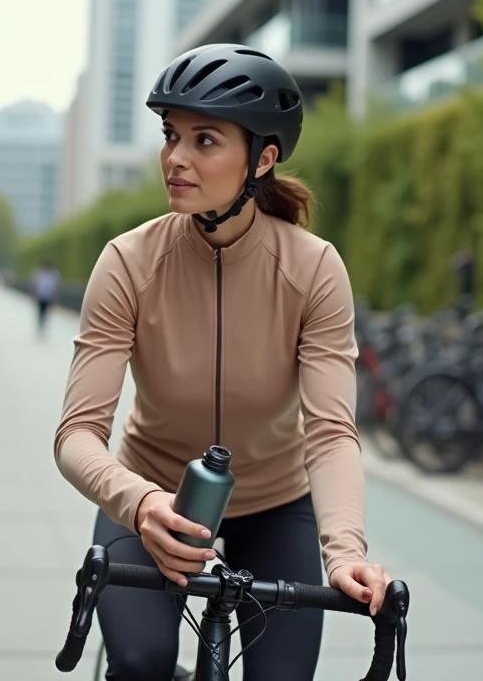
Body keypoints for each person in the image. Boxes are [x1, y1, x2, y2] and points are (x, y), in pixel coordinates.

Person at [53, 44, 392, 680]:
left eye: (205, 140)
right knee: (142, 660)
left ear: (262, 158)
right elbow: (76, 435)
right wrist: (140, 502)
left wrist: (345, 553)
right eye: (171, 135)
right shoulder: (128, 262)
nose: (176, 157)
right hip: (151, 491)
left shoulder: (314, 269)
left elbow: (330, 433)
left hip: (275, 502)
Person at [32, 260, 60, 337]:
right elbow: (35, 285)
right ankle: (40, 327)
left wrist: (55, 297)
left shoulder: (53, 274)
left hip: (48, 297)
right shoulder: (39, 273)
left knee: (46, 313)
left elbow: (55, 287)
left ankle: (43, 328)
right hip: (41, 296)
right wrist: (35, 295)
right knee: (40, 312)